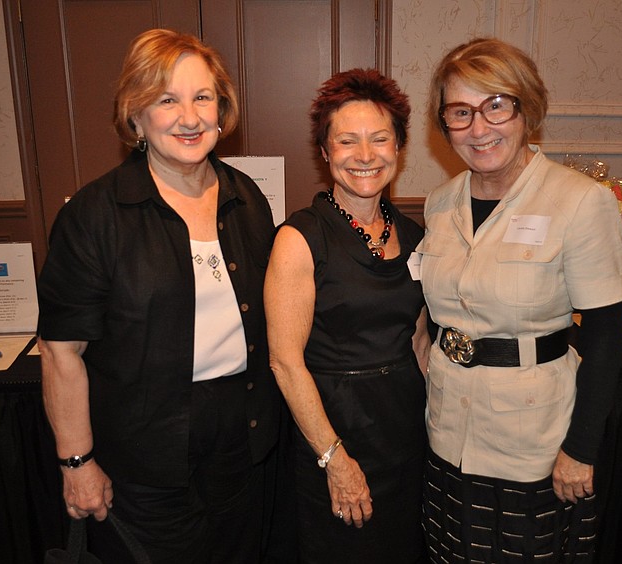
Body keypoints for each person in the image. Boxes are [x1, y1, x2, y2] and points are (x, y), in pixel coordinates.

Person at [37, 29, 282, 563]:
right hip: (142, 459)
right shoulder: (94, 215)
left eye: (202, 97)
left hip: (242, 443)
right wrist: (76, 463)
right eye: (166, 100)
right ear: (136, 115)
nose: (189, 117)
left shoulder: (248, 199)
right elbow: (62, 352)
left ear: (222, 109)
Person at [417, 38, 622, 562]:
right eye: (460, 112)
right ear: (444, 126)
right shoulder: (440, 202)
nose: (479, 128)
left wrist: (580, 450)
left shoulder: (580, 201)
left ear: (526, 109)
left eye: (496, 105)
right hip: (448, 432)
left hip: (533, 443)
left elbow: (605, 335)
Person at [264, 68, 430, 563]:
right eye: (347, 141)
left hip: (405, 437)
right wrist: (335, 460)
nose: (364, 155)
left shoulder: (416, 236)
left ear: (398, 148)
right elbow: (284, 363)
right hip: (334, 436)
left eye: (380, 139)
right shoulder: (300, 238)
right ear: (325, 152)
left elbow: (420, 342)